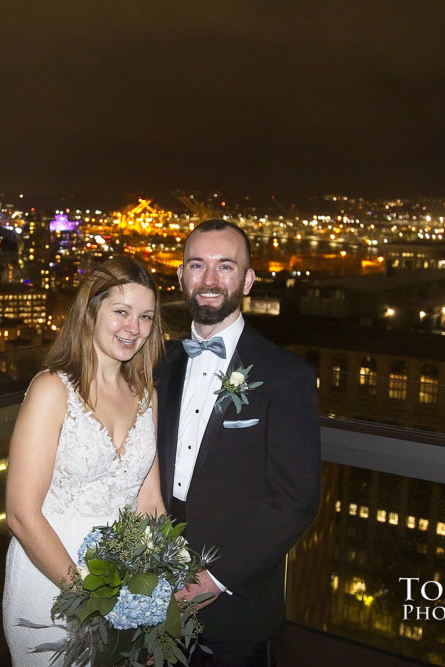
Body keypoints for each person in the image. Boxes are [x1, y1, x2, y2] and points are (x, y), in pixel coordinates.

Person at [155, 219, 321, 666]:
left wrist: (215, 579)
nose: (209, 280)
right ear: (180, 277)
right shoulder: (160, 365)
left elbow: (296, 499)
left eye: (225, 266)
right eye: (197, 265)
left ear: (247, 280)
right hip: (152, 594)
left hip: (235, 610)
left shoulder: (287, 376)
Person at [2, 257, 168, 665]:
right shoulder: (51, 390)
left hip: (124, 589)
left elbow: (150, 505)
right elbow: (21, 514)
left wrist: (165, 591)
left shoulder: (147, 395)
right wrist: (90, 600)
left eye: (145, 317)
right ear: (91, 311)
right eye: (122, 312)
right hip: (50, 586)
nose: (134, 328)